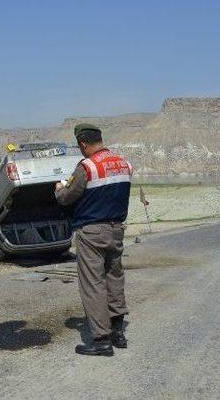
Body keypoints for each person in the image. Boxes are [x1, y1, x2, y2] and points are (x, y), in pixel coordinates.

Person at [55, 123, 132, 356]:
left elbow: (68, 196)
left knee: (93, 284)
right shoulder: (124, 164)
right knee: (114, 278)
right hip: (117, 229)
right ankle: (118, 331)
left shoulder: (86, 167)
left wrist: (58, 189)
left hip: (91, 231)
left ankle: (101, 340)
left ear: (83, 144)